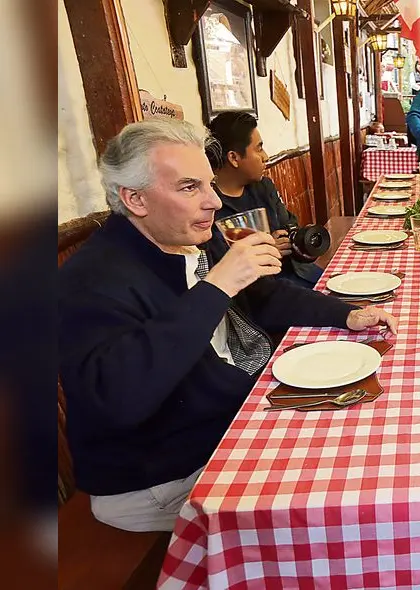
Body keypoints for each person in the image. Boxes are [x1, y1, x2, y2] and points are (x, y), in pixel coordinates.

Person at [58, 119, 398, 532]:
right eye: (189, 187)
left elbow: (264, 294)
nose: (214, 202)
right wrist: (217, 286)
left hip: (228, 416)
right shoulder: (90, 279)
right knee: (342, 498)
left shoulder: (189, 235)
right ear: (135, 199)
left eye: (209, 183)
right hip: (160, 475)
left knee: (372, 431)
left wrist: (344, 314)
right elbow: (119, 399)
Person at [207, 112, 323, 288]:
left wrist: (295, 241)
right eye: (259, 148)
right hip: (260, 292)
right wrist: (265, 251)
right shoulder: (210, 205)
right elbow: (220, 264)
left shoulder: (263, 187)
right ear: (234, 158)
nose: (266, 156)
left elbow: (289, 224)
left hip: (299, 274)